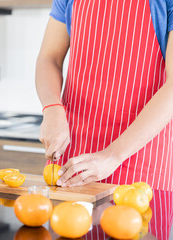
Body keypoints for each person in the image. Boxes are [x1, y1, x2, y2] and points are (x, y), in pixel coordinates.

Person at [36, 0, 173, 191]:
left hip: (140, 159)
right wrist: (51, 109)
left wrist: (114, 154)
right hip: (72, 155)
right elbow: (49, 58)